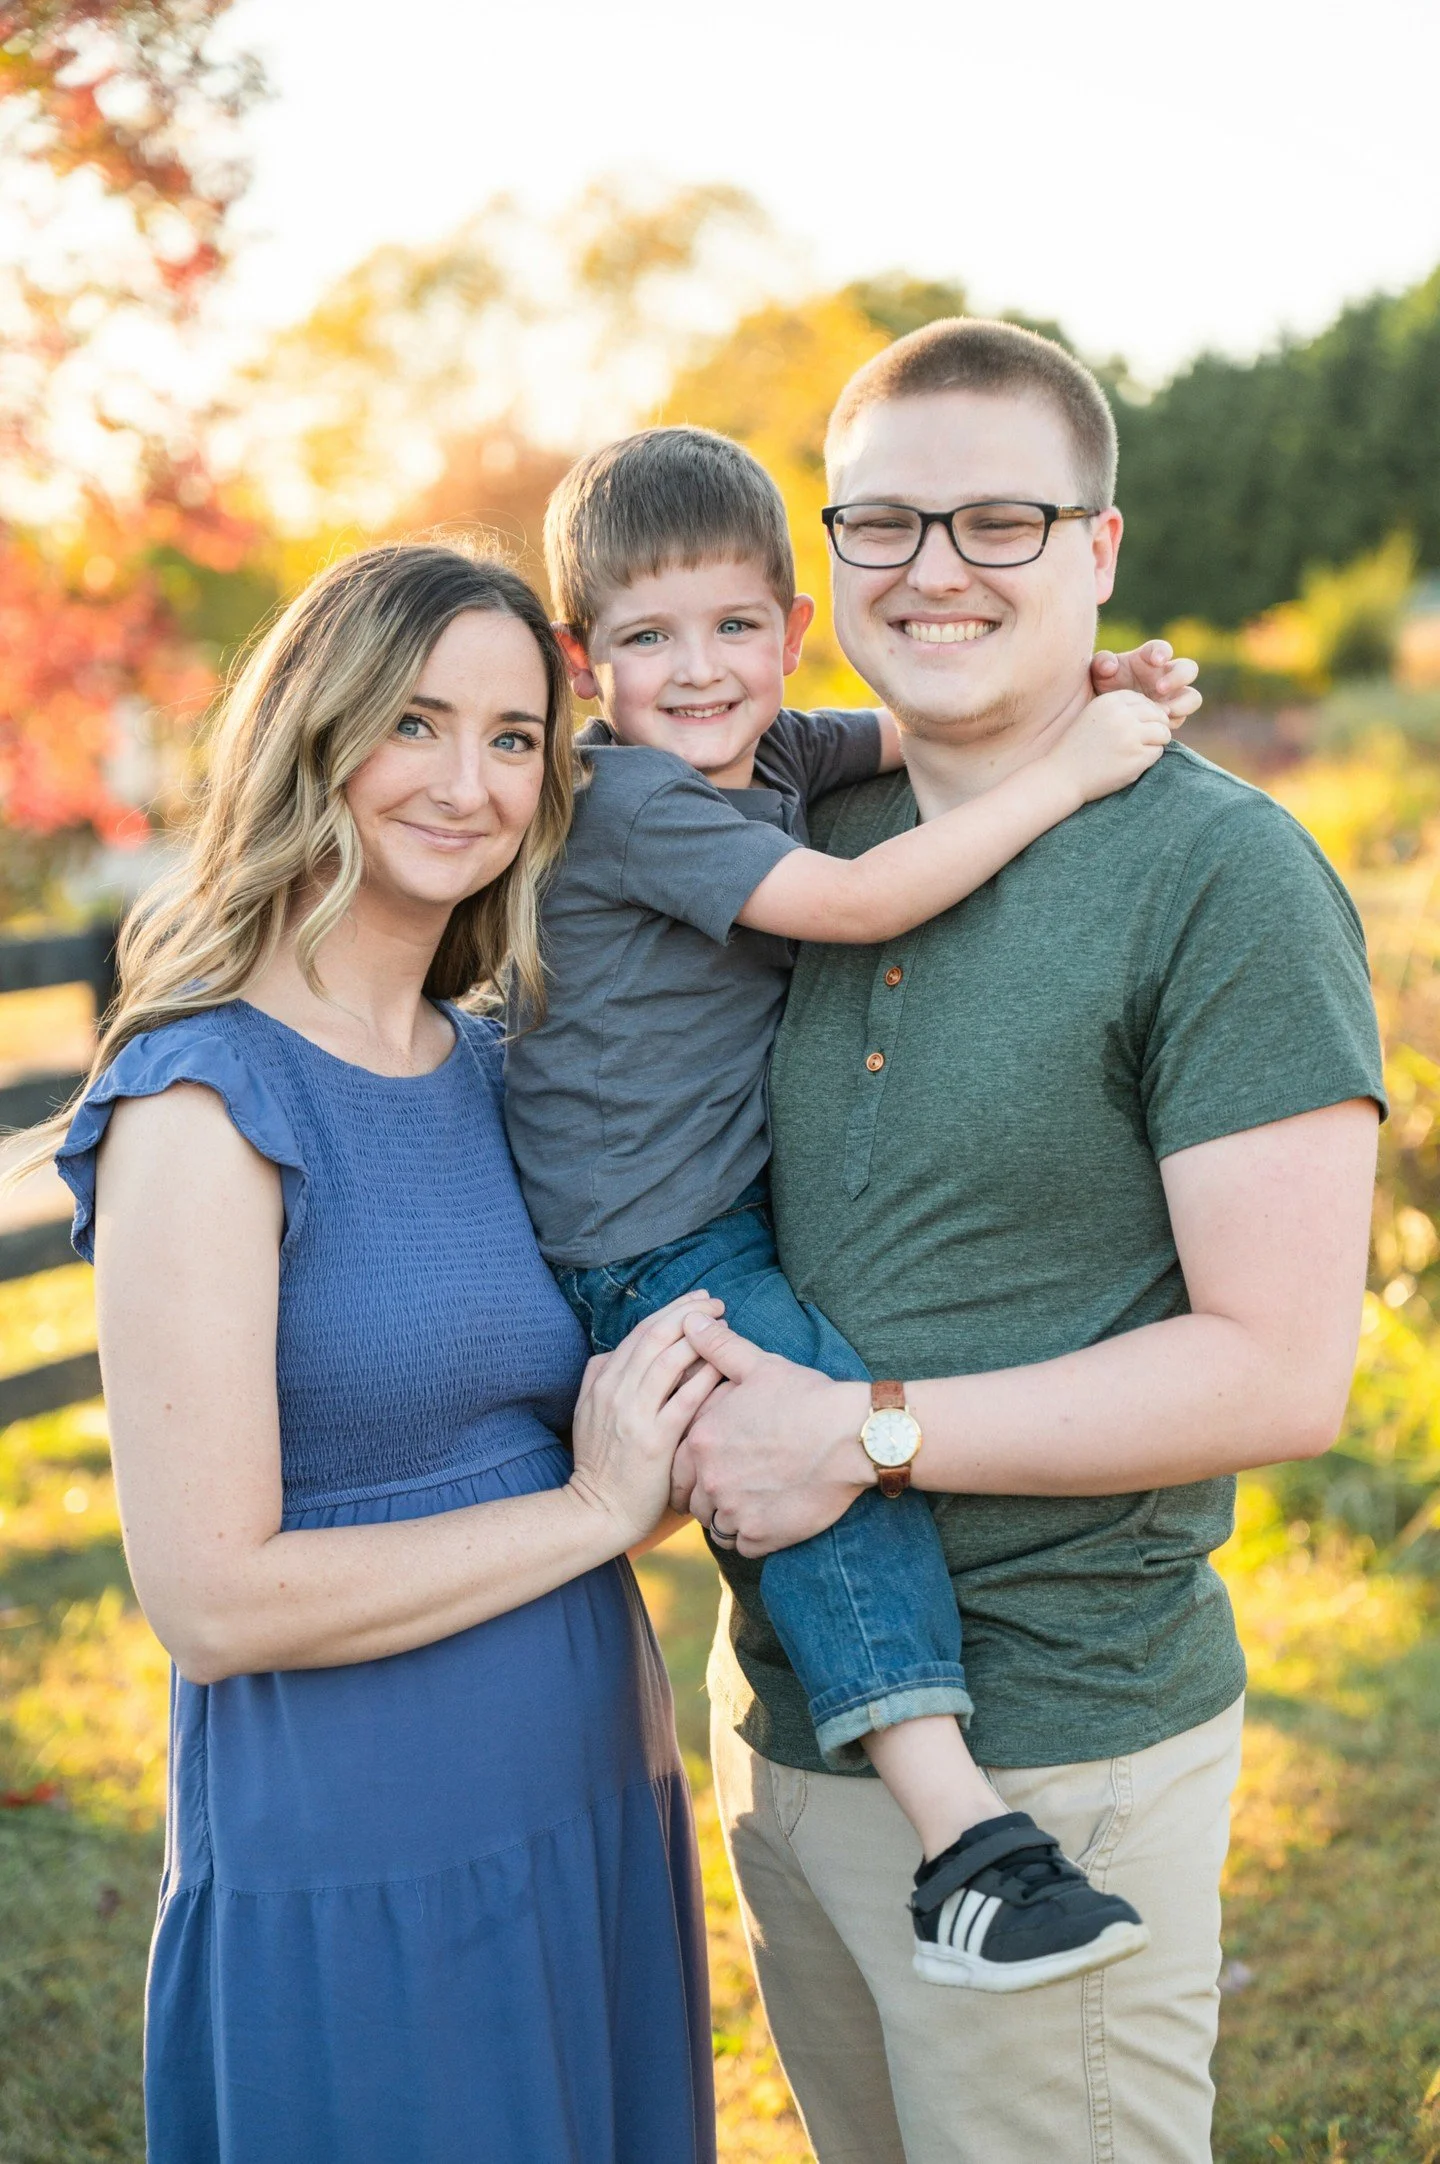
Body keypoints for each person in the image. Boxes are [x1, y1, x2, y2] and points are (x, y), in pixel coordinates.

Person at [673, 320, 1385, 2163]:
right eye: (885, 524)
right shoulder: (786, 827)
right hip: (787, 1733)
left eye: (1000, 519)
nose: (933, 570)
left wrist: (865, 1433)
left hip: (1058, 1754)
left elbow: (1281, 1366)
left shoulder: (1220, 879)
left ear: (1101, 549)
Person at [35, 544, 720, 2164]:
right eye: (413, 723)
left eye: (511, 740)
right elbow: (208, 1597)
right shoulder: (206, 1106)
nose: (468, 783)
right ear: (311, 734)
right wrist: (589, 1513)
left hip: (591, 1791)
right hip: (366, 1850)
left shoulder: (500, 1067)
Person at [505, 423, 1199, 1990]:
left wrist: (1087, 692)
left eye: (738, 625)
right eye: (647, 638)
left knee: (811, 1430)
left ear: (792, 628)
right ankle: (966, 1843)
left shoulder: (776, 756)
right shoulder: (625, 799)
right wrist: (1081, 773)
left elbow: (915, 741)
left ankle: (953, 1832)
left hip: (702, 1216)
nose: (700, 672)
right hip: (643, 1250)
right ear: (580, 660)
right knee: (814, 1448)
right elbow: (863, 899)